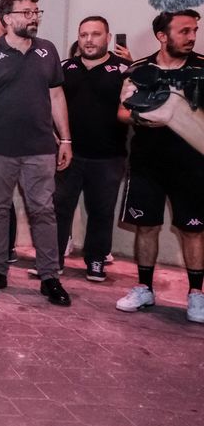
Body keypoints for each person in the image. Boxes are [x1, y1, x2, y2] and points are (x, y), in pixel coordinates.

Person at [0, 0, 72, 306]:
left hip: (40, 149)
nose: (34, 17)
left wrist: (65, 138)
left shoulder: (48, 51)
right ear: (7, 18)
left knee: (44, 212)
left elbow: (56, 96)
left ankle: (49, 277)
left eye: (37, 12)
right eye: (27, 12)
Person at [116, 9, 204, 323]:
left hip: (192, 166)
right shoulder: (139, 70)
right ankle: (144, 287)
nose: (192, 37)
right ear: (162, 36)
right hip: (146, 164)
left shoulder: (202, 69)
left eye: (194, 30)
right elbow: (123, 113)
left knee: (194, 230)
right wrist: (143, 117)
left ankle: (196, 294)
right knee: (147, 226)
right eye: (184, 31)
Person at [52, 16, 129, 282]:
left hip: (109, 156)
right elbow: (49, 105)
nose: (89, 40)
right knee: (59, 207)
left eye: (95, 34)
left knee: (101, 210)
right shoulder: (64, 68)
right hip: (68, 154)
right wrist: (56, 137)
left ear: (108, 38)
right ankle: (53, 261)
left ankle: (96, 260)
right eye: (84, 34)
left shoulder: (124, 69)